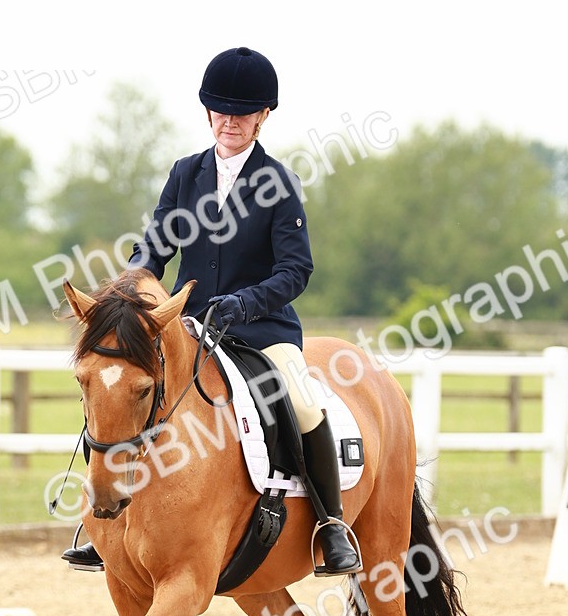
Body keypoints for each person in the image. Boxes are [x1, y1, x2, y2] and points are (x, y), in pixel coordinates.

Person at [64, 46, 360, 576]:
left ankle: (330, 523)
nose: (231, 121)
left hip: (262, 331)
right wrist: (130, 289)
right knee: (116, 390)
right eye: (222, 111)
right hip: (191, 325)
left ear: (263, 117)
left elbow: (296, 271)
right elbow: (154, 249)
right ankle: (101, 521)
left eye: (243, 113)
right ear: (208, 113)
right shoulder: (186, 174)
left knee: (303, 400)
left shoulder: (279, 184)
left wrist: (245, 302)